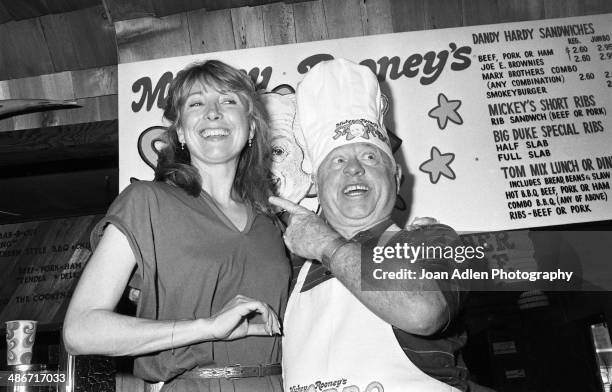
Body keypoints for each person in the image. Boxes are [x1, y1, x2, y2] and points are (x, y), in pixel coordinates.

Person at [63, 60, 289, 392]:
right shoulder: (146, 202)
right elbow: (80, 331)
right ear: (181, 131)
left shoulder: (272, 222)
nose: (213, 112)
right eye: (196, 103)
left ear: (252, 126)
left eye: (229, 101)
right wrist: (206, 328)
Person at [270, 59, 471, 392]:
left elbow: (422, 311)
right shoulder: (290, 268)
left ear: (396, 176)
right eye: (337, 160)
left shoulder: (433, 240)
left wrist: (327, 245)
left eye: (369, 157)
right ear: (316, 187)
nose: (353, 170)